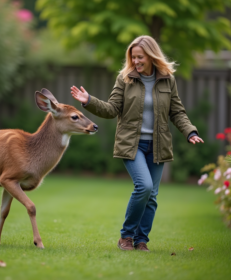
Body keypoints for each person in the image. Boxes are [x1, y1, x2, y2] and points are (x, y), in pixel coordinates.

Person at [70, 35, 204, 252]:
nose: (136, 62)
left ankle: (141, 241)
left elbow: (177, 111)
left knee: (151, 197)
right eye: (133, 58)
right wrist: (90, 101)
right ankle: (126, 237)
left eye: (140, 57)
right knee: (144, 186)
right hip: (132, 144)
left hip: (158, 146)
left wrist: (190, 132)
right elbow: (112, 109)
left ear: (151, 56)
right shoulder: (125, 79)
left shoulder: (167, 79)